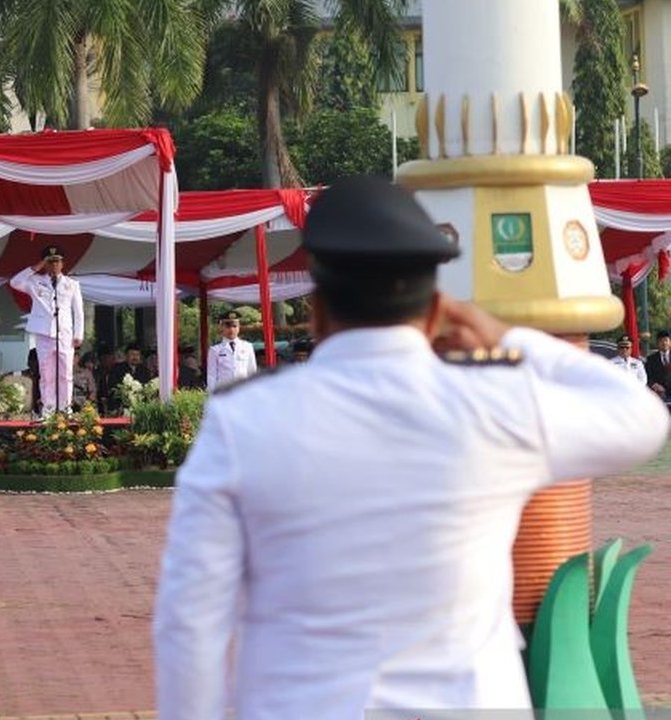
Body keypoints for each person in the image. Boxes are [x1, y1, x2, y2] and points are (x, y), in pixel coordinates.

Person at [153, 175, 670, 719]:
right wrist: (505, 339)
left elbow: (190, 621)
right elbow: (641, 418)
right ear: (434, 312)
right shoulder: (495, 405)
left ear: (318, 312)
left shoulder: (244, 421)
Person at [10, 245, 84, 416]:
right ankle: (48, 409)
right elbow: (15, 282)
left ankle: (66, 408)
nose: (54, 265)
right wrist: (35, 267)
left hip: (65, 333)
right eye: (50, 262)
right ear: (45, 263)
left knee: (66, 373)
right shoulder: (35, 281)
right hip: (43, 333)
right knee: (46, 373)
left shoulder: (72, 284)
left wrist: (78, 334)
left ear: (63, 264)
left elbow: (78, 311)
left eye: (57, 261)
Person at [205, 310, 258, 391]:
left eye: (234, 326)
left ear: (239, 328)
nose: (231, 329)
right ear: (221, 327)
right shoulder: (215, 350)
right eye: (228, 326)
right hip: (223, 393)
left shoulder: (247, 347)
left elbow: (252, 371)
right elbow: (211, 376)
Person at [645, 330, 671, 398]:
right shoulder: (651, 359)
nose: (664, 343)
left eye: (666, 340)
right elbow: (648, 377)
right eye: (661, 340)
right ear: (657, 343)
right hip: (658, 394)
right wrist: (654, 385)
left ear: (670, 342)